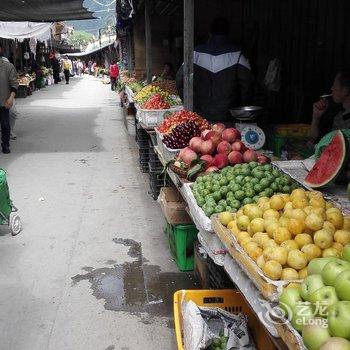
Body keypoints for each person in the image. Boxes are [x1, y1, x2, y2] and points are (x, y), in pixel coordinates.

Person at [176, 17, 254, 122]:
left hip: (200, 114)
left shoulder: (195, 53)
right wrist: (243, 109)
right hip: (227, 115)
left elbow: (179, 79)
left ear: (210, 32)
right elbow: (247, 85)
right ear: (228, 32)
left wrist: (188, 103)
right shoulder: (238, 54)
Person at [310, 70, 350, 143]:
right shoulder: (338, 116)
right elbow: (314, 141)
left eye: (334, 85)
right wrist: (316, 117)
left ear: (345, 90)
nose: (332, 88)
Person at [0, 43, 18, 153]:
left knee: (5, 125)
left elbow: (14, 84)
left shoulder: (8, 66)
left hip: (4, 102)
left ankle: (5, 145)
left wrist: (11, 98)